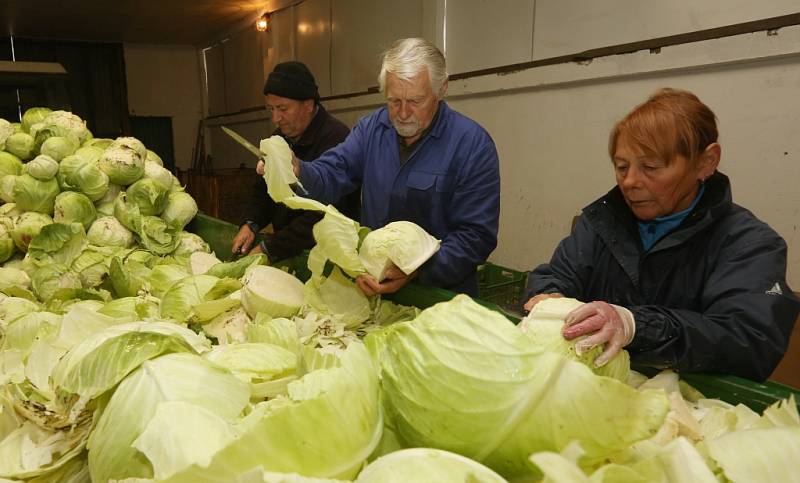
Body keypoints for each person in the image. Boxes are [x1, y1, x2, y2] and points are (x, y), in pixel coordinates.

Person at [523, 88, 799, 381]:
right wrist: (550, 299)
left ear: (706, 162)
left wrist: (635, 325)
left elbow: (749, 341)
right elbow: (555, 275)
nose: (629, 182)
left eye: (650, 167)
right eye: (621, 167)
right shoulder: (602, 223)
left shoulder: (749, 245)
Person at [267, 38, 500, 297]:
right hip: (375, 290)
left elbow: (476, 236)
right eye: (393, 101)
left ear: (441, 89)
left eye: (415, 101)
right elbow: (333, 172)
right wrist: (298, 168)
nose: (402, 113)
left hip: (441, 297)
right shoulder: (371, 130)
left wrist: (416, 269)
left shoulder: (472, 145)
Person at [231, 61, 358, 262]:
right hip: (288, 250)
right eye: (271, 108)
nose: (275, 118)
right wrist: (251, 223)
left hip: (326, 257)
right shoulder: (279, 138)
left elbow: (323, 214)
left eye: (282, 108)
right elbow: (262, 189)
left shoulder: (338, 140)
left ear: (308, 104)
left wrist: (270, 248)